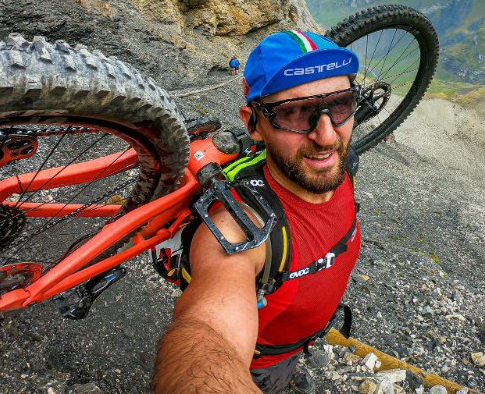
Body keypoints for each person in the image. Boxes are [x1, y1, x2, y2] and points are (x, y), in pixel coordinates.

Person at [153, 30, 362, 393]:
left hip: (296, 343)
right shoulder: (241, 227)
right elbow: (208, 331)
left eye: (341, 105)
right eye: (296, 113)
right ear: (253, 124)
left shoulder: (337, 168)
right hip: (259, 367)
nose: (327, 137)